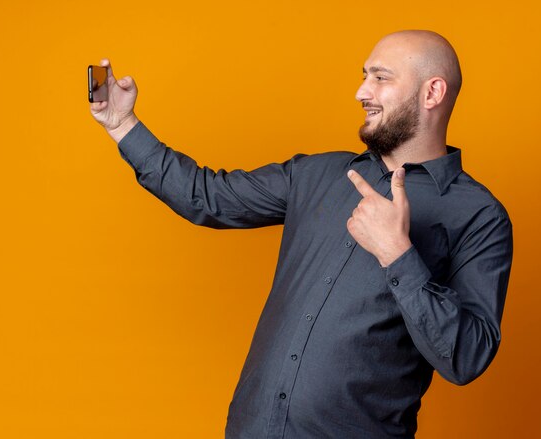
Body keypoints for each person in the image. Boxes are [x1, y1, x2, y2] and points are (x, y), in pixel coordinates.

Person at [90, 30, 513, 439]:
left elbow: (466, 357)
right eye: (364, 75)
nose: (361, 92)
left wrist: (397, 252)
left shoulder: (479, 216)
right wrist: (122, 123)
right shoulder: (315, 174)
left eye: (380, 78)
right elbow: (205, 196)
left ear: (432, 93)